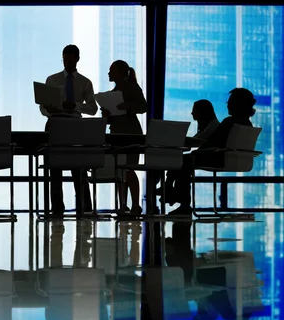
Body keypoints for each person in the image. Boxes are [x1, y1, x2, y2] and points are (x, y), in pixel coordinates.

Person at [166, 87, 256, 216]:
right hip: (233, 159)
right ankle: (173, 193)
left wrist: (196, 153)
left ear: (237, 104)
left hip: (219, 158)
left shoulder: (229, 122)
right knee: (185, 160)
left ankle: (180, 200)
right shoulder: (247, 124)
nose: (227, 104)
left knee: (183, 161)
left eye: (229, 102)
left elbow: (213, 142)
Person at [40, 44, 98, 216]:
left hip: (74, 125)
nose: (67, 62)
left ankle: (84, 206)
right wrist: (49, 110)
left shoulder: (85, 82)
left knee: (79, 168)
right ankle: (57, 207)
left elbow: (93, 108)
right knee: (55, 168)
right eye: (65, 59)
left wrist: (75, 106)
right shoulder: (52, 80)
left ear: (77, 59)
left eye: (70, 59)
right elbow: (43, 107)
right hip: (55, 123)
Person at [101, 60, 147, 216]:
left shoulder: (131, 87)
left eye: (111, 70)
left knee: (128, 169)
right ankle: (123, 205)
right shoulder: (113, 93)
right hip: (117, 134)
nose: (108, 73)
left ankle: (134, 204)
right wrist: (106, 115)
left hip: (130, 134)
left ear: (120, 73)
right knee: (120, 170)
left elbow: (143, 106)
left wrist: (128, 106)